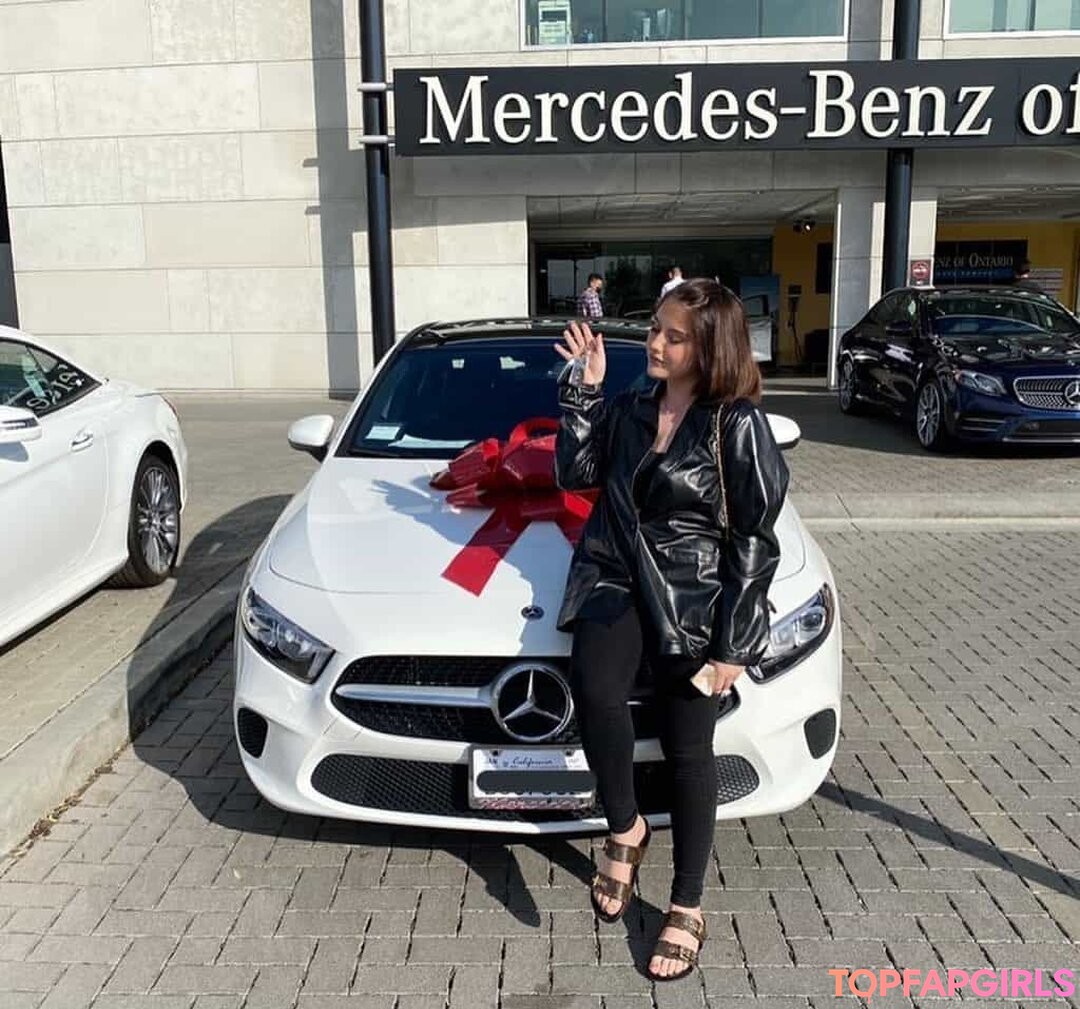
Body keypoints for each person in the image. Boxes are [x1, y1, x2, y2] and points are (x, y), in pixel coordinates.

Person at [552, 278, 789, 982]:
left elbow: (755, 539)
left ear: (709, 348)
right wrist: (584, 391)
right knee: (596, 693)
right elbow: (576, 472)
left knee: (689, 748)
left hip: (692, 596)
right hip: (615, 574)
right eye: (655, 327)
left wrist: (733, 645)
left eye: (672, 336)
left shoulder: (736, 424)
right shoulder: (632, 404)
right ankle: (625, 827)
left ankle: (687, 903)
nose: (654, 342)